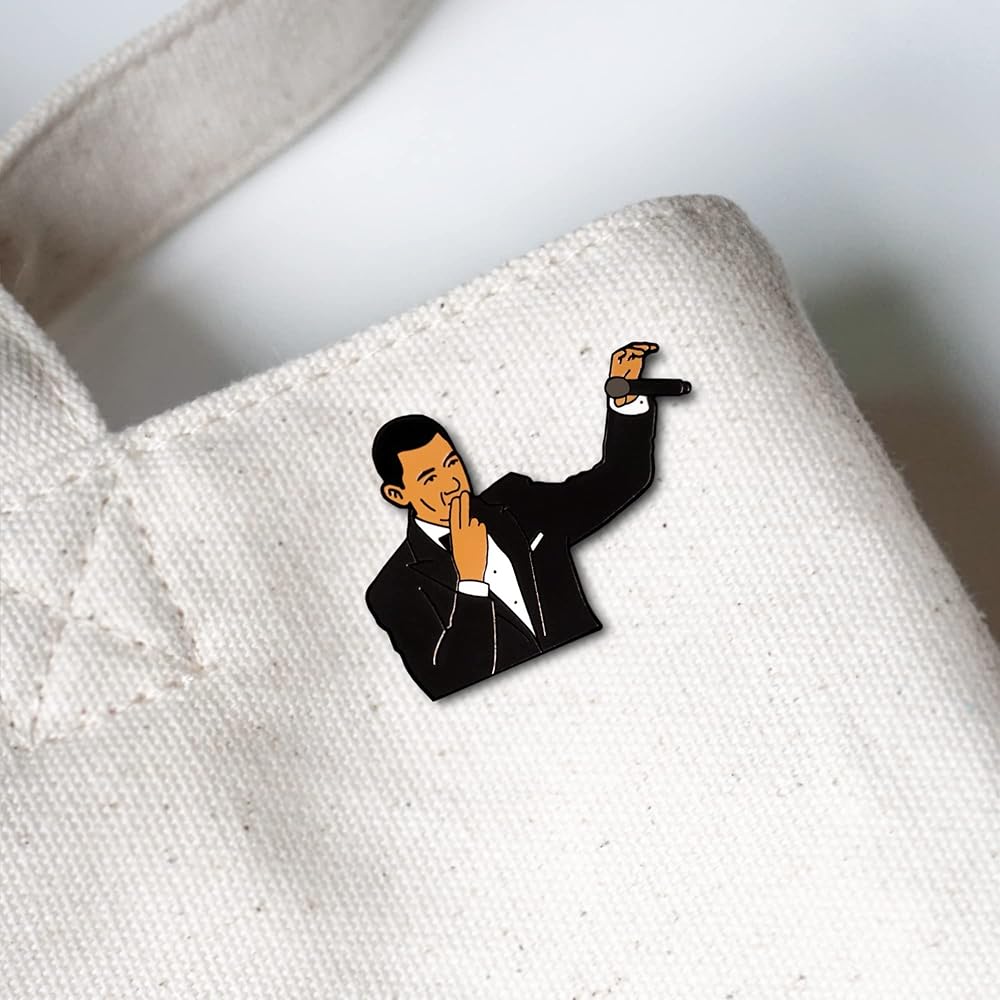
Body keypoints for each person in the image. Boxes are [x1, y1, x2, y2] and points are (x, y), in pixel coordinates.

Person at [366, 342, 660, 699]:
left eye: (451, 463)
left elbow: (620, 480)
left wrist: (625, 400)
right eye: (429, 478)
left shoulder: (518, 501)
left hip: (619, 682)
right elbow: (447, 683)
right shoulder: (392, 590)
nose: (452, 483)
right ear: (397, 495)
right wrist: (471, 581)